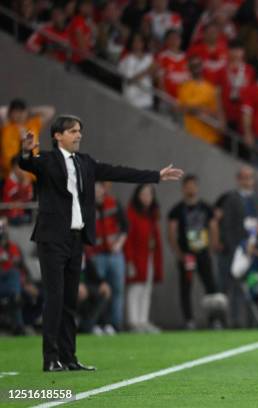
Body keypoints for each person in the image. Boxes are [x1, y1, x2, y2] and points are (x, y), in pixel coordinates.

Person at [18, 115, 183, 372]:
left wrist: (156, 176)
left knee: (70, 300)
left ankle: (69, 357)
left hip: (76, 239)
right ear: (57, 136)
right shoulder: (47, 160)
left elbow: (118, 172)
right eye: (72, 131)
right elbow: (27, 163)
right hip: (51, 239)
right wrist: (27, 151)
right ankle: (50, 359)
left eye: (79, 131)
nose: (78, 135)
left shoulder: (86, 162)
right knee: (55, 297)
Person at [210, 165, 258, 327]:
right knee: (231, 286)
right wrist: (237, 247)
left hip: (253, 250)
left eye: (250, 177)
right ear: (238, 179)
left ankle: (250, 322)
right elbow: (227, 226)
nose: (248, 181)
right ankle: (229, 321)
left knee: (251, 285)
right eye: (244, 177)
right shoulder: (231, 198)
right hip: (236, 250)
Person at [168, 174, 226, 329]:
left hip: (203, 253)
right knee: (185, 288)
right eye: (188, 185)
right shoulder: (177, 210)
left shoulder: (206, 208)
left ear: (197, 187)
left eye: (193, 185)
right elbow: (171, 232)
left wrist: (214, 245)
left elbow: (213, 226)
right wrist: (178, 252)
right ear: (183, 188)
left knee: (211, 286)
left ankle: (214, 320)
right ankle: (189, 320)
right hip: (187, 255)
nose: (191, 188)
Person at [124, 184, 164, 334]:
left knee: (147, 289)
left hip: (150, 256)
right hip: (137, 256)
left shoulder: (152, 215)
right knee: (135, 288)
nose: (147, 197)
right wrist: (129, 260)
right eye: (144, 194)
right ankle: (133, 321)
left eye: (150, 194)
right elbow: (128, 238)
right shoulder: (131, 213)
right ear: (137, 195)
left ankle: (143, 320)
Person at [90, 182, 128, 331]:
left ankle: (114, 324)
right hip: (97, 255)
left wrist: (119, 244)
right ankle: (98, 323)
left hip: (114, 254)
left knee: (117, 290)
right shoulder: (86, 206)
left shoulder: (113, 203)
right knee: (100, 290)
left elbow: (125, 227)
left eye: (100, 189)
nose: (98, 192)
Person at [0, 99, 55, 178]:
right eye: (15, 112)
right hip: (9, 175)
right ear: (10, 113)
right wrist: (7, 112)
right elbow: (1, 111)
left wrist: (30, 111)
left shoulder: (32, 125)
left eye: (21, 111)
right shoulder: (6, 127)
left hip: (31, 175)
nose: (19, 115)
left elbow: (49, 111)